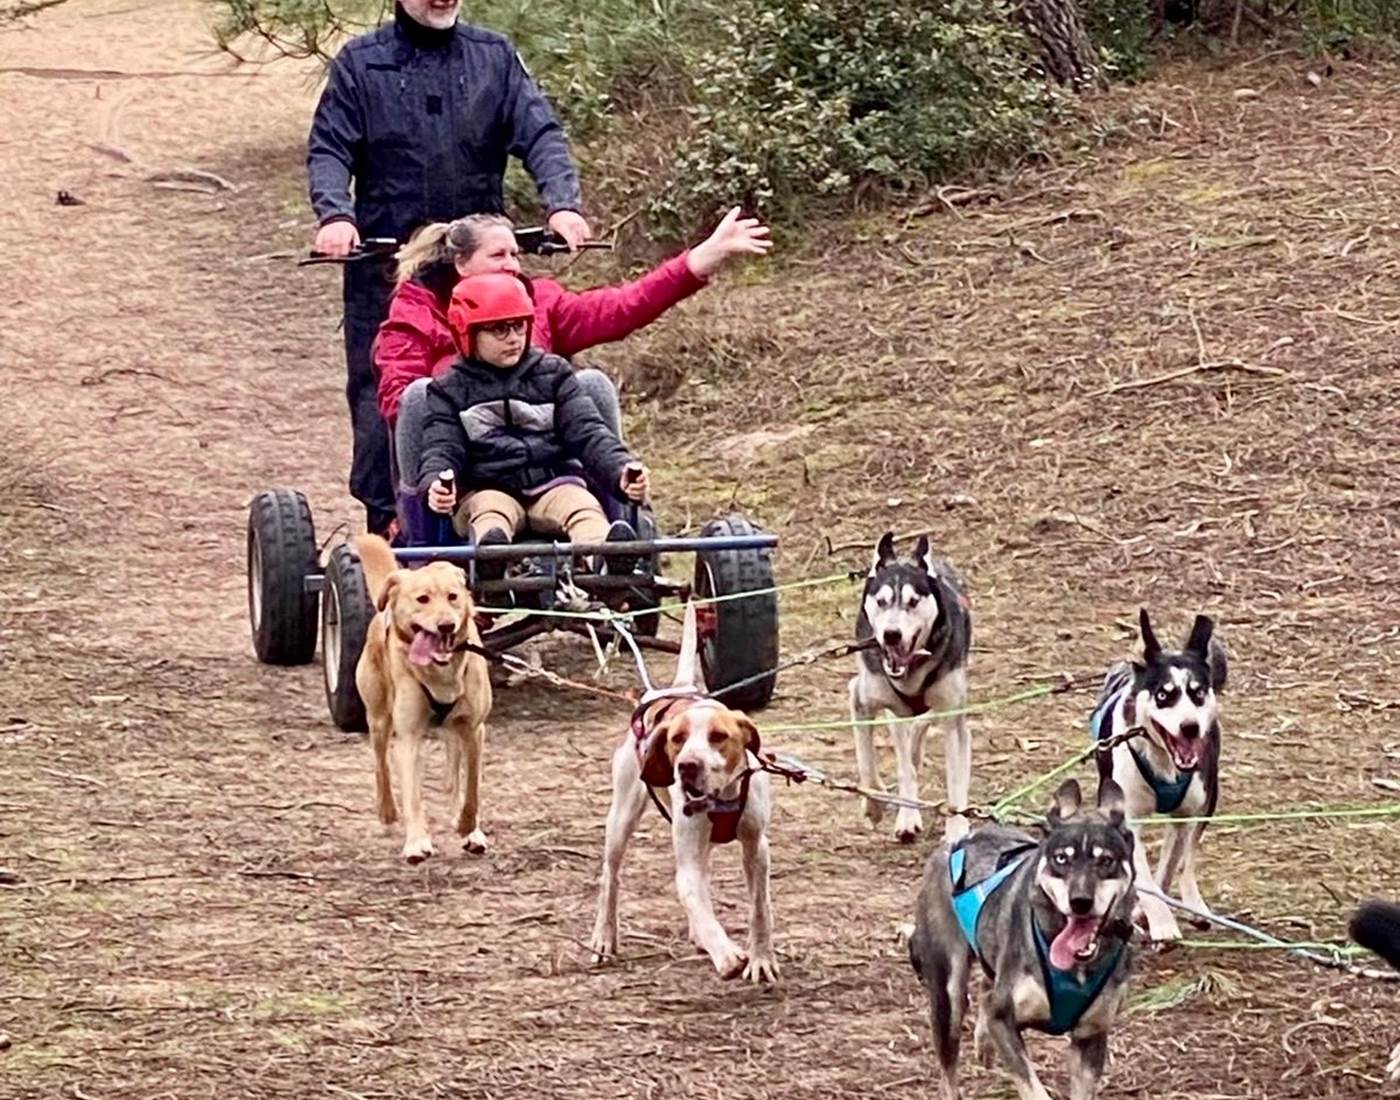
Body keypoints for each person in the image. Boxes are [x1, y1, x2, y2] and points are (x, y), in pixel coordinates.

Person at [306, 0, 591, 537]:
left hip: (482, 273)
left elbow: (541, 134)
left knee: (522, 382)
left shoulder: (495, 57)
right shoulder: (360, 65)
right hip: (388, 275)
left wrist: (562, 203)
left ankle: (535, 511)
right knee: (383, 398)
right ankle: (393, 523)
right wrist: (335, 215)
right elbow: (329, 149)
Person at [375, 207, 772, 433]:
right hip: (457, 459)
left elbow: (620, 307)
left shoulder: (541, 301)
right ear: (461, 263)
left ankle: (619, 527)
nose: (512, 266)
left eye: (515, 255)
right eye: (498, 256)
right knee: (416, 399)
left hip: (546, 450)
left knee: (591, 385)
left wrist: (695, 263)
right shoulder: (416, 314)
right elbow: (400, 405)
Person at [418, 273, 648, 579]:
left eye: (520, 325)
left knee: (582, 506)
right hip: (487, 488)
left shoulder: (554, 374)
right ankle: (492, 563)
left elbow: (589, 433)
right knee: (489, 512)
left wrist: (621, 472)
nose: (513, 337)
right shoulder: (448, 390)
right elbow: (441, 447)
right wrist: (435, 484)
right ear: (467, 332)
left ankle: (604, 561)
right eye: (500, 329)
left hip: (551, 484)